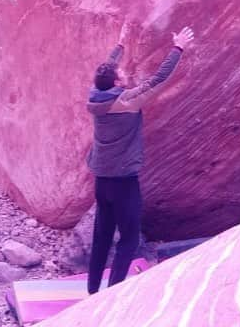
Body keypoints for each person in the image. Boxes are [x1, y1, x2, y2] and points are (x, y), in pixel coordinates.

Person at [85, 23, 195, 294]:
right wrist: (177, 48)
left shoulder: (95, 96)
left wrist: (120, 46)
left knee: (102, 236)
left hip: (102, 180)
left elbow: (105, 68)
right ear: (117, 83)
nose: (125, 74)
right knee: (129, 238)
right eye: (122, 74)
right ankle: (113, 293)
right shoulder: (126, 102)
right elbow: (157, 80)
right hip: (123, 182)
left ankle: (92, 290)